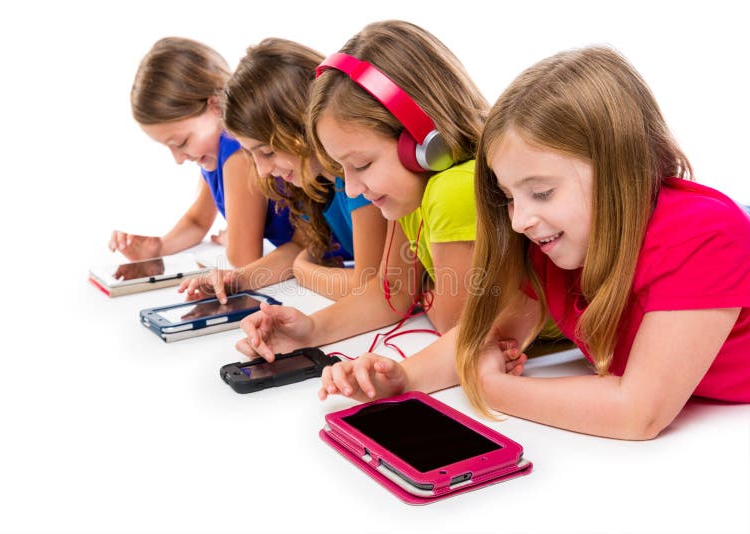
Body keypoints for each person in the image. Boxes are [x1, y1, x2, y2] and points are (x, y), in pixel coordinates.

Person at [318, 46, 750, 440]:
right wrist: (401, 378)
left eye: (541, 193)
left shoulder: (703, 237)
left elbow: (637, 412)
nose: (521, 220)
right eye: (508, 198)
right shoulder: (551, 247)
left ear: (621, 167)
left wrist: (493, 387)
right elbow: (487, 333)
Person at [235, 20, 488, 361]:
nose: (351, 187)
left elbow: (455, 324)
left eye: (363, 165)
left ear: (423, 142)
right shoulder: (413, 194)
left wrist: (429, 295)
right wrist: (309, 329)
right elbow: (393, 293)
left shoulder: (451, 190)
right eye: (342, 168)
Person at [179, 38, 387, 303]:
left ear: (301, 125)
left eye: (267, 152)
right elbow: (302, 246)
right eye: (252, 156)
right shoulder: (312, 180)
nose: (263, 171)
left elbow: (367, 284)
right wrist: (238, 280)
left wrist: (303, 270)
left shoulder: (358, 180)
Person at [109, 37, 294, 269]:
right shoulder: (214, 155)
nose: (178, 159)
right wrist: (159, 247)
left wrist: (236, 239)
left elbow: (245, 260)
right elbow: (197, 222)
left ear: (215, 106)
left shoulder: (237, 152)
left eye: (182, 142)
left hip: (328, 255)